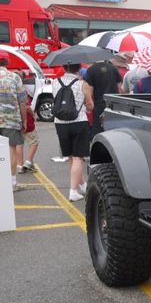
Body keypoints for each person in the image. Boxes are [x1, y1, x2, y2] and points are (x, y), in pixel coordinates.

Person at [53, 63, 94, 202]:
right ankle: (73, 192)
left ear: (64, 67)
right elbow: (90, 105)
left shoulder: (54, 82)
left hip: (60, 123)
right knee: (78, 158)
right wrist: (87, 107)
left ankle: (82, 184)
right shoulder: (83, 84)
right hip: (79, 122)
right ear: (78, 69)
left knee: (71, 157)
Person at [0, 50, 27, 191]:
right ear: (7, 62)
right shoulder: (15, 78)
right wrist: (25, 121)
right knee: (11, 150)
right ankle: (11, 183)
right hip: (11, 120)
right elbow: (22, 102)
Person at [83, 59, 122, 140]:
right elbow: (119, 87)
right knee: (113, 127)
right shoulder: (113, 68)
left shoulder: (91, 70)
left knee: (98, 128)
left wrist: (89, 103)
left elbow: (89, 88)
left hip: (99, 103)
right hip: (113, 103)